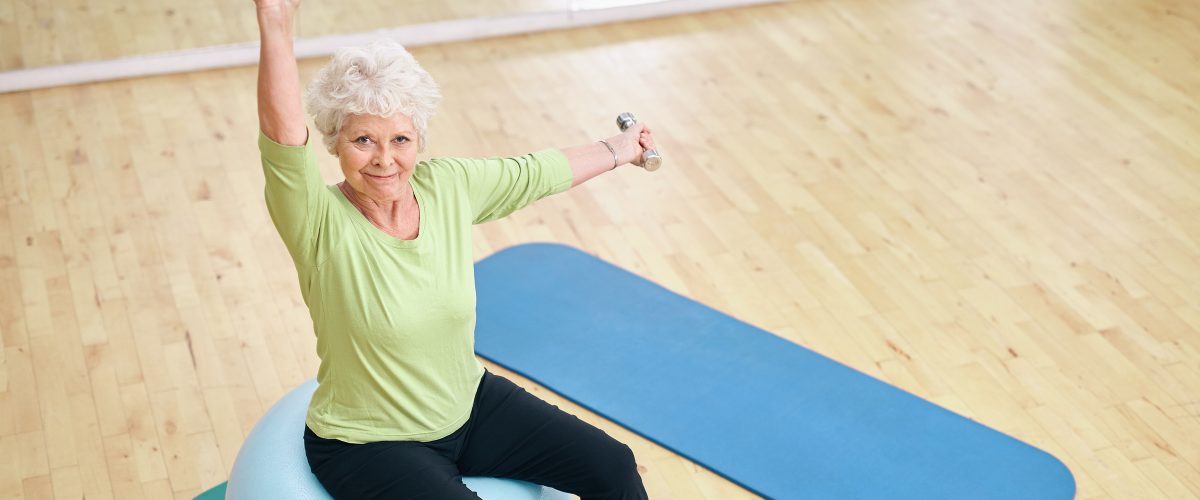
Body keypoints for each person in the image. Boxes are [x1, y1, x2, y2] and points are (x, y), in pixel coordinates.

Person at [253, 1, 656, 498]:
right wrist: (276, 21)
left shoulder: (445, 185)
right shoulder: (315, 219)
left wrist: (620, 149)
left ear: (419, 139)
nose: (384, 159)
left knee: (613, 466)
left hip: (469, 405)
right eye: (363, 139)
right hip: (370, 444)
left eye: (400, 138)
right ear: (335, 142)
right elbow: (282, 142)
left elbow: (534, 172)